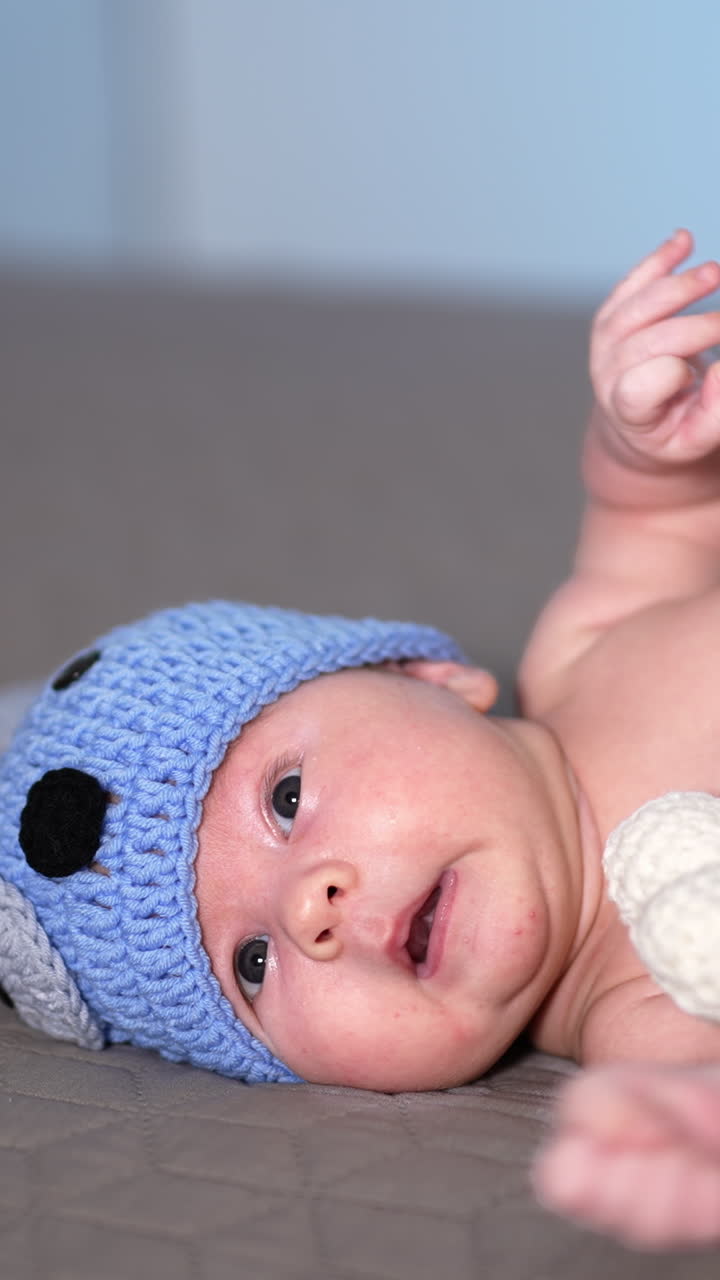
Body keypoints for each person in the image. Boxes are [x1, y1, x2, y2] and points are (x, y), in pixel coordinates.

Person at [2, 230, 720, 1249]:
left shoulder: (587, 647)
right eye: (248, 964)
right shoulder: (637, 997)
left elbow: (656, 517)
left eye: (285, 798)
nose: (309, 909)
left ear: (428, 676)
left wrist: (644, 438)